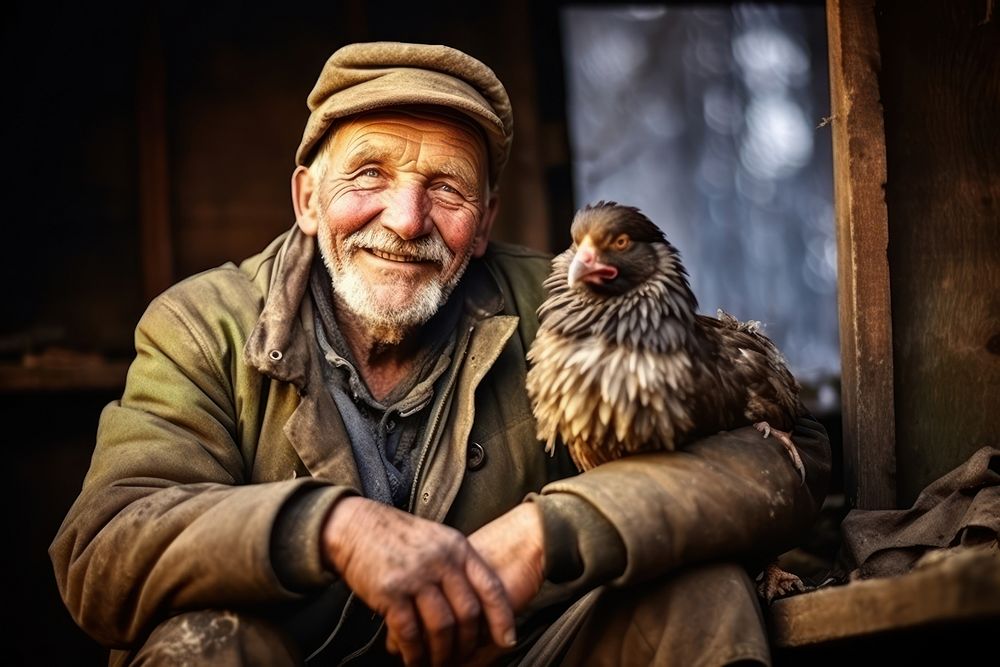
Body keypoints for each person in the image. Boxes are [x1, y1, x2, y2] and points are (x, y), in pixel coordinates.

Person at [50, 41, 830, 666]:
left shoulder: (565, 303)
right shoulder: (202, 324)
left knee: (700, 590)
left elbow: (784, 461)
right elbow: (104, 549)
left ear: (484, 221)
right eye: (369, 174)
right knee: (203, 647)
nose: (407, 216)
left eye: (447, 190)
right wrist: (333, 528)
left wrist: (551, 533)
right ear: (308, 201)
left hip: (514, 653)